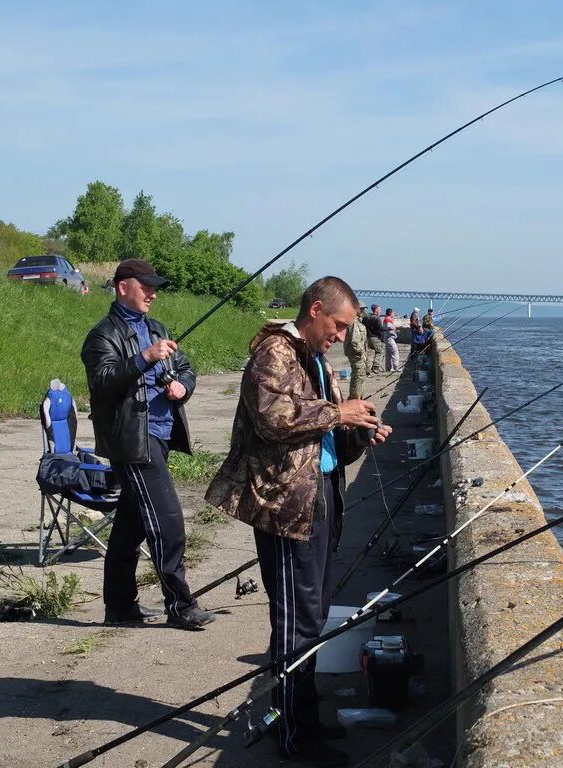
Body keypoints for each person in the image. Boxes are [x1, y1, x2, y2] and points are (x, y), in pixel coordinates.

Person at [205, 276, 391, 767]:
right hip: (288, 509)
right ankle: (291, 732)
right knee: (295, 622)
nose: (341, 336)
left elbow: (322, 437)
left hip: (320, 497)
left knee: (312, 617)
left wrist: (358, 429)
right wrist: (338, 411)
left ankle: (303, 717)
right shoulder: (274, 353)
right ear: (315, 310)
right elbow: (274, 419)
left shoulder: (311, 357)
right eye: (338, 326)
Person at [81, 259, 213, 630]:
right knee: (168, 522)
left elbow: (185, 366)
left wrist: (182, 386)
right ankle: (181, 605)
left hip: (161, 434)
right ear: (123, 287)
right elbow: (104, 382)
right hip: (133, 442)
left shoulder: (157, 327)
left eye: (155, 287)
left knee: (131, 525)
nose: (152, 293)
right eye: (146, 286)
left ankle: (120, 606)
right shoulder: (102, 336)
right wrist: (145, 358)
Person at [344, 301, 369, 399]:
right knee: (358, 376)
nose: (363, 311)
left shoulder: (358, 321)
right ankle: (355, 399)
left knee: (360, 376)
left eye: (363, 309)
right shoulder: (354, 322)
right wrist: (361, 353)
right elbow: (355, 341)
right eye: (361, 309)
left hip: (358, 354)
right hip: (356, 354)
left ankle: (358, 397)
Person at [364, 304, 386, 374]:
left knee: (369, 354)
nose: (380, 310)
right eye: (379, 309)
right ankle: (375, 367)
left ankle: (367, 369)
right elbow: (380, 328)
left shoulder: (367, 317)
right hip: (375, 338)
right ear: (376, 310)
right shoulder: (377, 318)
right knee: (379, 352)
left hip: (368, 337)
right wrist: (389, 328)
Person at [384, 308, 401, 372]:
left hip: (387, 337)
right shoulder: (388, 319)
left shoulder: (387, 319)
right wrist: (394, 328)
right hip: (389, 338)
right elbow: (389, 327)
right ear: (390, 313)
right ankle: (396, 367)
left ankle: (388, 368)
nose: (394, 314)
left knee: (388, 354)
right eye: (393, 313)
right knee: (395, 352)